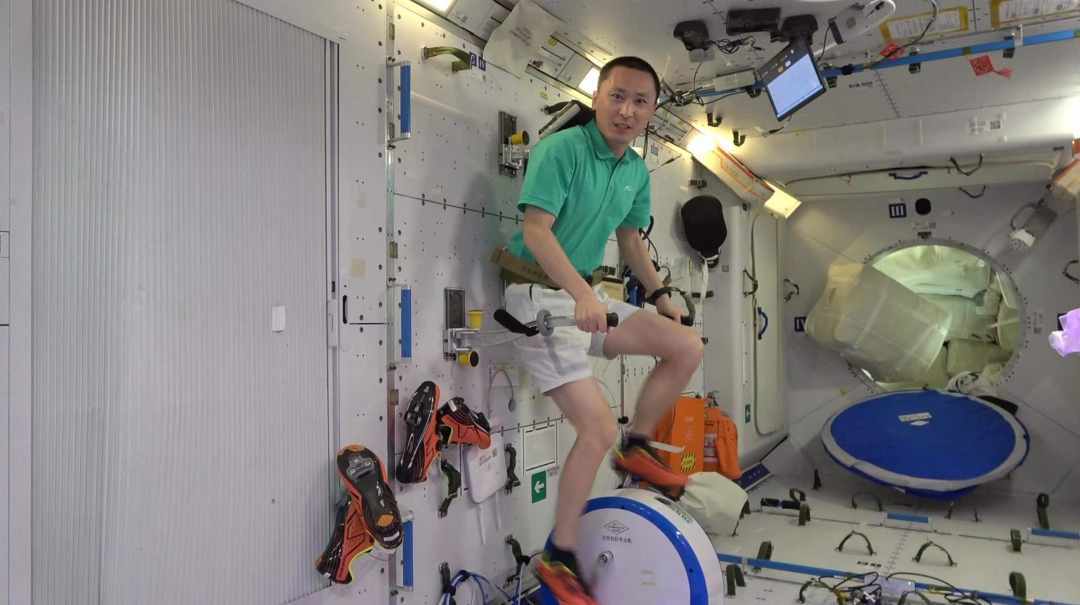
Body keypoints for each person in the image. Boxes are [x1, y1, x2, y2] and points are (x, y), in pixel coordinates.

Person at [500, 56, 704, 605]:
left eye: (640, 101)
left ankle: (637, 446)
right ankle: (559, 555)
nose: (626, 110)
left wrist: (661, 295)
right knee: (595, 429)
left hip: (582, 298)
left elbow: (631, 241)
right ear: (596, 98)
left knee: (685, 346)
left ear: (653, 111)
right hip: (537, 297)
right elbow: (537, 232)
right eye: (617, 96)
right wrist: (582, 295)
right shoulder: (560, 150)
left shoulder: (635, 170)